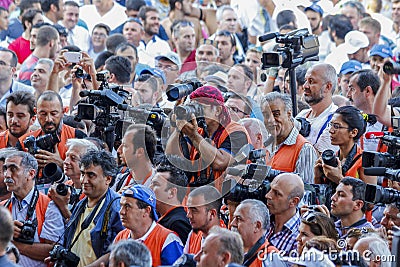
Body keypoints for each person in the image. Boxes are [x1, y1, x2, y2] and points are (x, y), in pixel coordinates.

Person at [165, 85, 249, 191]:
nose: (196, 113)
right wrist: (179, 128)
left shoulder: (236, 132)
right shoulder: (198, 130)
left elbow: (220, 162)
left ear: (218, 110)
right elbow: (173, 155)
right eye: (193, 107)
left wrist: (193, 136)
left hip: (223, 198)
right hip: (196, 196)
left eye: (200, 108)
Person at [1, 151, 64, 267]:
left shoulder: (49, 205)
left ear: (31, 174)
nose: (7, 175)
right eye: (5, 169)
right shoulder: (2, 207)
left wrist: (9, 240)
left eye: (13, 169)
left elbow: (53, 250)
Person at [62, 150, 124, 267]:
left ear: (108, 179)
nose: (84, 181)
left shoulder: (117, 208)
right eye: (82, 174)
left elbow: (117, 251)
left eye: (91, 175)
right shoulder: (81, 203)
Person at [96, 184, 183, 267]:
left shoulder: (167, 239)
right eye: (121, 206)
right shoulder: (121, 237)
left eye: (127, 206)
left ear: (146, 210)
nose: (121, 212)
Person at [19, 91, 87, 169]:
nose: (48, 119)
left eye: (54, 113)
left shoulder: (77, 137)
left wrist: (61, 164)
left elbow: (87, 173)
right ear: (36, 112)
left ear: (63, 111)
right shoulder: (23, 142)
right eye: (43, 114)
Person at [262, 92, 317, 183]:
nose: (270, 120)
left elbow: (306, 191)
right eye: (266, 115)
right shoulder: (264, 145)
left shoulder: (304, 149)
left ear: (289, 114)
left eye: (276, 114)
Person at [314, 106, 376, 185]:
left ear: (353, 132)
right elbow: (321, 194)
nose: (330, 130)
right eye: (331, 125)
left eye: (336, 126)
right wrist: (318, 177)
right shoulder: (334, 158)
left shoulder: (366, 162)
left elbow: (370, 196)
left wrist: (339, 179)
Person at [48, 138, 98, 220]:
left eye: (73, 158)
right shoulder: (66, 185)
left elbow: (81, 229)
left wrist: (63, 207)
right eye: (67, 156)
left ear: (88, 163)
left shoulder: (93, 192)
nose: (66, 161)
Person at [296, 63, 339, 154]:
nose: (305, 86)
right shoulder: (303, 114)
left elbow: (318, 159)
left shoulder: (336, 119)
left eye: (311, 81)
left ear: (327, 87)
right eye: (305, 80)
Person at [231, 199, 286, 267]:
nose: (232, 223)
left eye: (238, 219)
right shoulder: (232, 251)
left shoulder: (270, 258)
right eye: (234, 218)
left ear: (257, 226)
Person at [149, 157, 192, 244]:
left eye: (156, 184)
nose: (150, 188)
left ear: (172, 192)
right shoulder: (167, 218)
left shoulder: (178, 223)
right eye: (151, 183)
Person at [265, 173, 304, 255]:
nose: (268, 195)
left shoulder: (300, 236)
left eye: (277, 193)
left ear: (293, 201)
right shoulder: (261, 220)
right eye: (270, 189)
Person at [114, 124, 157, 191]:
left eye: (125, 146)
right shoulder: (120, 180)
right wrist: (118, 199)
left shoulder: (159, 185)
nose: (119, 150)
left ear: (140, 152)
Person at [185, 185, 224, 254]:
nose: (188, 215)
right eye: (188, 209)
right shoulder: (193, 234)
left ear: (212, 213)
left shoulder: (226, 242)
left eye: (194, 210)